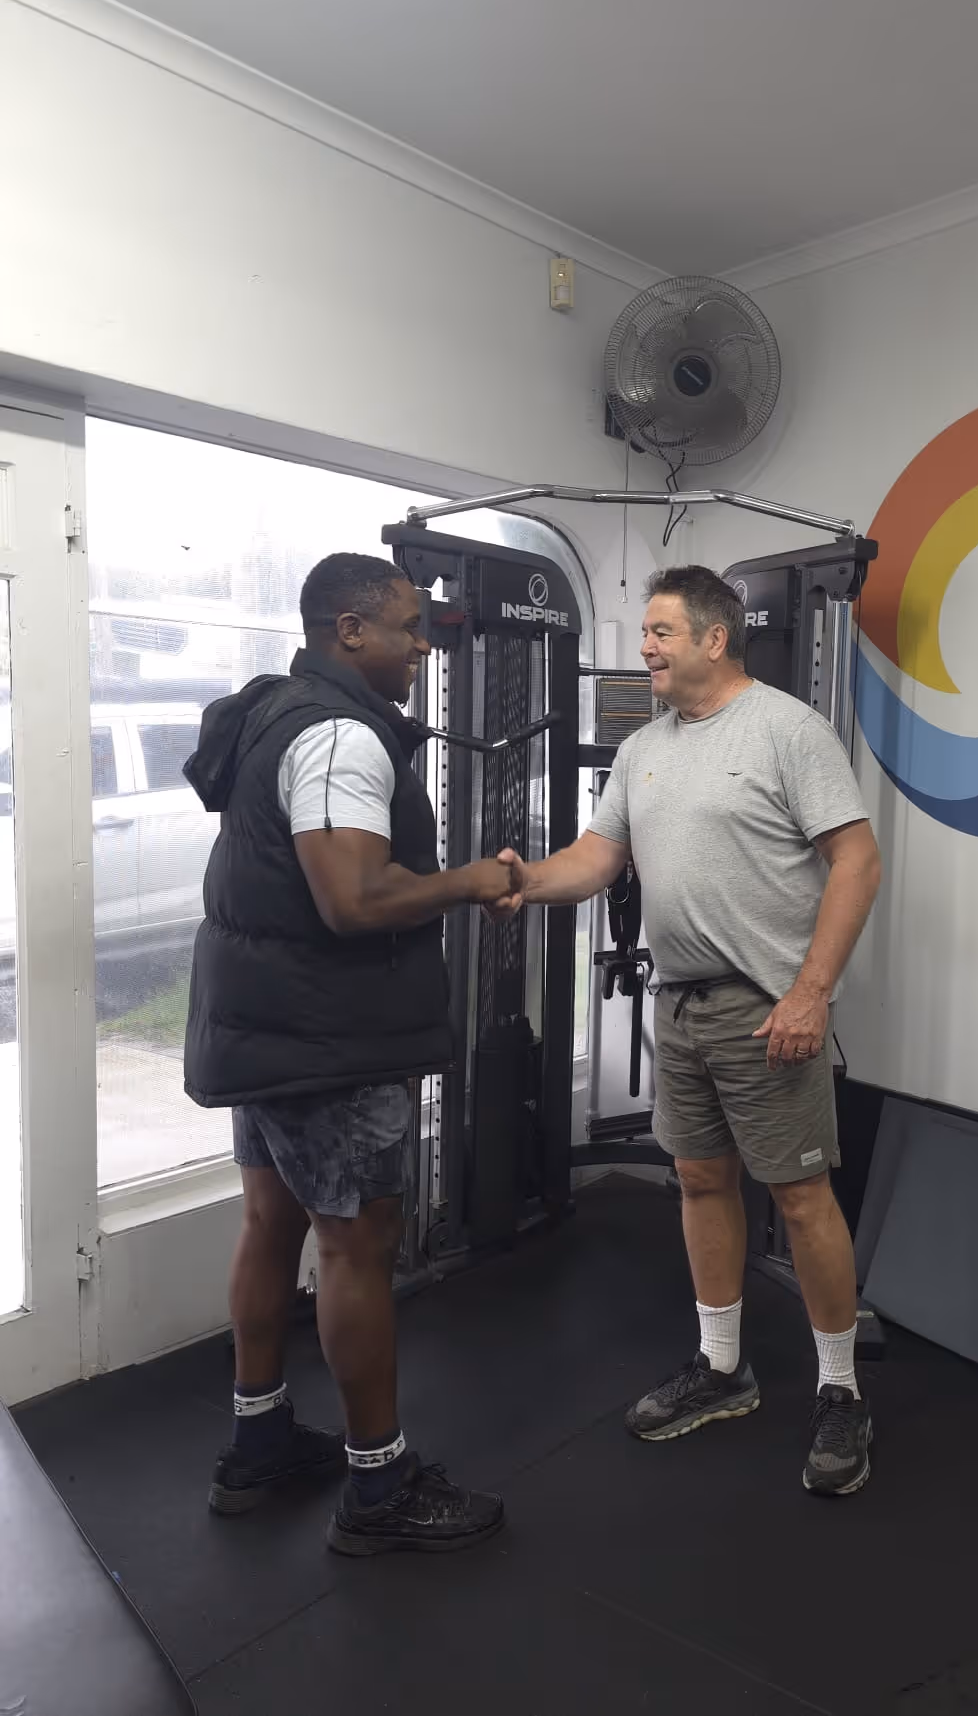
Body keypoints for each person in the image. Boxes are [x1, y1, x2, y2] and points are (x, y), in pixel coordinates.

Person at [493, 564, 882, 1494]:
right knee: (702, 1181)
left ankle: (840, 1390)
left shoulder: (787, 729)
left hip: (766, 1006)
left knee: (799, 1195)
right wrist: (523, 881)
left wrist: (812, 991)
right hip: (681, 1003)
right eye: (645, 633)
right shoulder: (645, 748)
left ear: (716, 638)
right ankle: (722, 1367)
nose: (646, 648)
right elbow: (598, 856)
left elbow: (857, 860)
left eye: (662, 632)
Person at [183, 551, 512, 1556]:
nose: (424, 646)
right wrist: (472, 879)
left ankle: (261, 1440)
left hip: (266, 1024)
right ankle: (379, 1486)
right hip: (329, 1040)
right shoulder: (337, 736)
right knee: (355, 1245)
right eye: (410, 627)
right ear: (351, 631)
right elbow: (354, 898)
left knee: (271, 1219)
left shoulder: (276, 712)